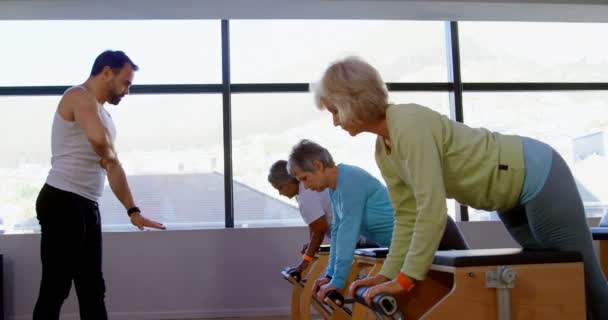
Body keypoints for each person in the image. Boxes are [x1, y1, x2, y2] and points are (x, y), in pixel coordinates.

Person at [312, 56, 608, 320]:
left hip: (537, 174)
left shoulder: (408, 124)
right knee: (549, 278)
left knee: (583, 276)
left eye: (335, 111)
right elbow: (406, 216)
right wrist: (387, 274)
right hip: (506, 199)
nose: (335, 122)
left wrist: (406, 279)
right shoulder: (383, 149)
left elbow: (432, 209)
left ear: (353, 100)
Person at [33, 50, 166, 320]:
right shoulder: (78, 96)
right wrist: (111, 158)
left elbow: (111, 164)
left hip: (86, 204)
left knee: (93, 287)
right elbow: (101, 145)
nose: (127, 91)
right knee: (55, 288)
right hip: (62, 200)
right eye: (126, 83)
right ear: (107, 72)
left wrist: (133, 210)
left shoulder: (104, 115)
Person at [287, 139, 468, 302]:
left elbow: (348, 233)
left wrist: (338, 281)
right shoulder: (335, 190)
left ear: (318, 165)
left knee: (467, 294)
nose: (306, 186)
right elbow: (337, 232)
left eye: (305, 178)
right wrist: (330, 275)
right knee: (429, 302)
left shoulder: (349, 179)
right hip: (412, 244)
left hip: (436, 232)